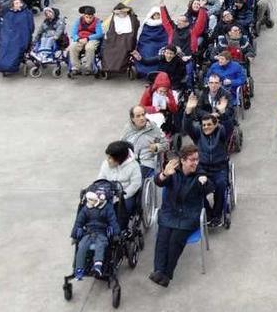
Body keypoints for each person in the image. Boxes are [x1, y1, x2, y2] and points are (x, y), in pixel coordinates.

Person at [149, 144, 214, 287]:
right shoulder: (173, 172)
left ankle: (167, 274)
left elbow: (210, 188)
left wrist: (205, 182)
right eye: (192, 160)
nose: (195, 163)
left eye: (197, 159)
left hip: (189, 216)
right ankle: (158, 270)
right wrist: (164, 174)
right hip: (170, 213)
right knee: (162, 239)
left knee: (175, 241)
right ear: (183, 160)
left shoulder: (199, 174)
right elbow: (158, 182)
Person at [182, 94, 232, 227]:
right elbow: (187, 128)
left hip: (219, 167)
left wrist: (223, 112)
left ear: (216, 125)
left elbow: (229, 127)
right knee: (197, 185)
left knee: (221, 185)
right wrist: (188, 111)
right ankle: (208, 213)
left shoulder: (221, 133)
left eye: (209, 124)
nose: (206, 127)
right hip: (202, 168)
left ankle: (216, 215)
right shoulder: (198, 133)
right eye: (204, 125)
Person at [71, 190, 119, 280]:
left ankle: (97, 266)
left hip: (102, 232)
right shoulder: (86, 209)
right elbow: (79, 222)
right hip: (89, 233)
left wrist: (116, 233)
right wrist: (74, 235)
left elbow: (113, 221)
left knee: (100, 246)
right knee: (81, 246)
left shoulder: (107, 208)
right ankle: (79, 269)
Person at [97, 140, 142, 215]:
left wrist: (121, 197)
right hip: (108, 192)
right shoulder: (105, 164)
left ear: (119, 159)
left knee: (122, 209)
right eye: (107, 157)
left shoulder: (134, 166)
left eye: (110, 158)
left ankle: (121, 225)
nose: (107, 160)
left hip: (125, 194)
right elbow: (101, 179)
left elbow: (135, 185)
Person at [122, 105, 166, 179]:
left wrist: (156, 147)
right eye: (138, 116)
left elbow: (166, 144)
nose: (142, 118)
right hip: (130, 162)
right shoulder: (128, 129)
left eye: (143, 115)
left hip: (146, 163)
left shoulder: (153, 128)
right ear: (132, 119)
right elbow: (121, 145)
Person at [0, 0, 34, 74]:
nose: (17, 4)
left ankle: (11, 66)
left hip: (21, 37)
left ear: (22, 4)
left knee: (16, 48)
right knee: (4, 46)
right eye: (16, 3)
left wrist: (26, 37)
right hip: (8, 36)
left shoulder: (27, 13)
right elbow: (5, 27)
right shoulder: (9, 14)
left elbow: (30, 27)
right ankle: (1, 65)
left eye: (19, 3)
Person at [68, 6, 104, 75]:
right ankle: (76, 68)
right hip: (80, 38)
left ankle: (89, 68)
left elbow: (99, 34)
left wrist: (88, 38)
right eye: (87, 17)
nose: (88, 19)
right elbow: (73, 33)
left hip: (92, 38)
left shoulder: (97, 21)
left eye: (90, 17)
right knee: (72, 47)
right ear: (84, 16)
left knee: (89, 48)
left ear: (93, 16)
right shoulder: (78, 21)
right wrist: (78, 39)